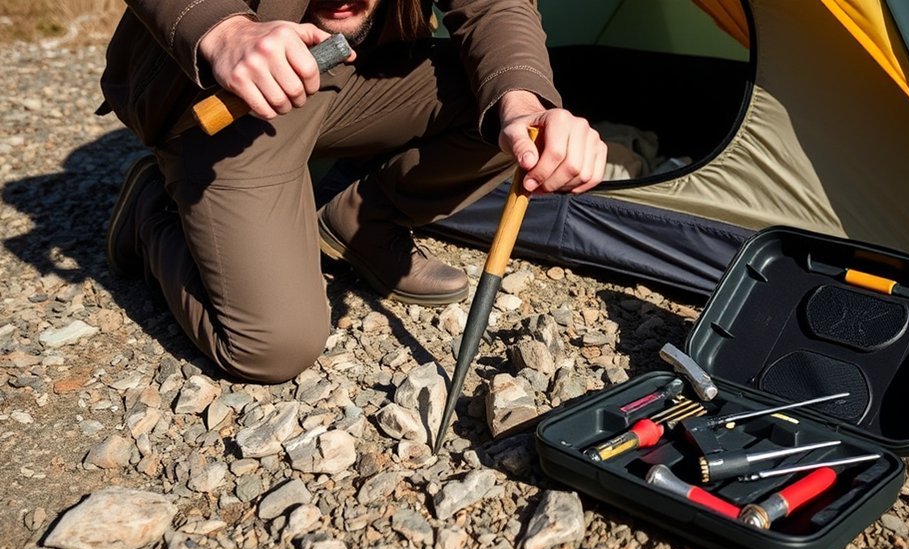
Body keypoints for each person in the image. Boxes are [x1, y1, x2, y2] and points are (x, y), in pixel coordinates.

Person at [100, 0, 607, 384]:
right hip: (227, 99)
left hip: (352, 69)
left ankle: (363, 224)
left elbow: (495, 6)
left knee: (508, 115)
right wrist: (221, 28)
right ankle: (153, 210)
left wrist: (521, 104)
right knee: (272, 347)